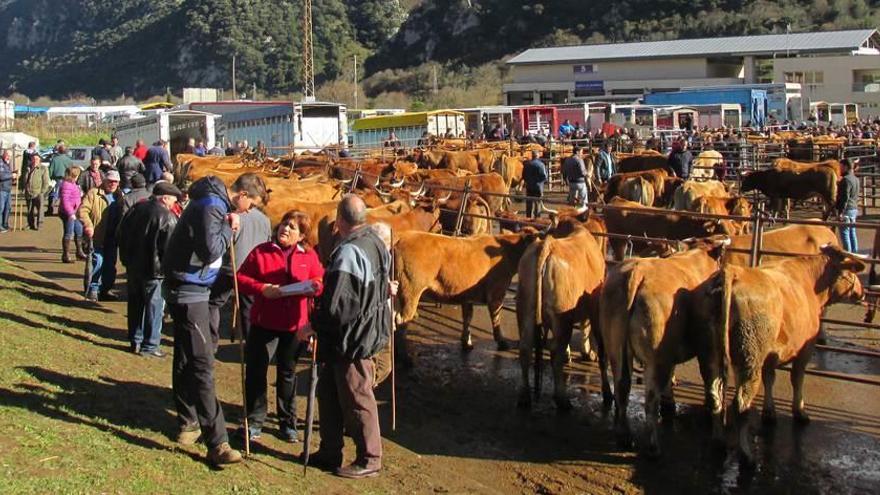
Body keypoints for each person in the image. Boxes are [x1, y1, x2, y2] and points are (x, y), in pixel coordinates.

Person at [301, 194, 391, 479]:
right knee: (328, 391)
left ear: (339, 221)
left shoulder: (348, 253)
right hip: (367, 328)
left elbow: (338, 305)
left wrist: (313, 324)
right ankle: (330, 450)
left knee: (357, 396)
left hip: (352, 337)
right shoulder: (377, 242)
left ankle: (370, 457)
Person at [161, 175, 244, 466]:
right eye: (249, 206)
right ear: (241, 194)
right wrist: (230, 228)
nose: (245, 212)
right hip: (189, 290)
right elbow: (210, 249)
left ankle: (188, 423)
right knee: (202, 363)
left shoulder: (209, 202)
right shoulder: (212, 206)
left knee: (185, 356)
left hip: (188, 287)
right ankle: (217, 442)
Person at [235, 210, 324, 443]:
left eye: (292, 227)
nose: (285, 229)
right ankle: (254, 420)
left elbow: (320, 281)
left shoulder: (309, 256)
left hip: (295, 326)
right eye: (284, 224)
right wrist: (262, 288)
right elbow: (241, 278)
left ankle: (287, 422)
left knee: (287, 373)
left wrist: (315, 286)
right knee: (256, 371)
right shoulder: (261, 252)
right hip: (264, 322)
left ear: (302, 235)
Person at [118, 182, 181, 357]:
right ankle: (150, 345)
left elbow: (121, 234)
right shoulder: (167, 217)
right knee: (155, 308)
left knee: (135, 304)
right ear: (165, 198)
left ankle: (135, 341)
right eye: (173, 200)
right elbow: (169, 249)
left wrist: (125, 259)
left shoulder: (135, 209)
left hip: (133, 266)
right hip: (155, 272)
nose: (174, 204)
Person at [208, 173, 271, 346]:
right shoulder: (265, 220)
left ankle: (211, 342)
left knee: (213, 302)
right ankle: (251, 345)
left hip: (232, 269)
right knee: (248, 310)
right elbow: (267, 243)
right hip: (252, 272)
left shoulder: (233, 217)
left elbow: (224, 244)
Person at [78, 169, 123, 301]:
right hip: (97, 235)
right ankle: (93, 289)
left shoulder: (120, 196)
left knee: (110, 265)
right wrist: (88, 225)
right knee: (97, 262)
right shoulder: (94, 193)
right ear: (105, 181)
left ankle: (106, 290)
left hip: (113, 237)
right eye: (110, 181)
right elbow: (82, 210)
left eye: (115, 182)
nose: (113, 184)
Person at [58, 167, 85, 263]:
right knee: (68, 233)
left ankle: (79, 252)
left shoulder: (73, 184)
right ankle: (65, 255)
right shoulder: (66, 185)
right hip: (68, 213)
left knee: (79, 230)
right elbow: (65, 201)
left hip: (75, 211)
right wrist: (70, 213)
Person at [21, 154, 51, 230]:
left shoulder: (43, 168)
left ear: (39, 160)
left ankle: (39, 225)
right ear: (31, 160)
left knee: (40, 210)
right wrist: (23, 188)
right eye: (33, 159)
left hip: (38, 193)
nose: (35, 160)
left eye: (37, 159)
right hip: (28, 192)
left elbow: (46, 182)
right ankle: (30, 224)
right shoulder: (28, 168)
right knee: (30, 210)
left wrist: (42, 192)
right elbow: (24, 180)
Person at [837, 158, 861, 253]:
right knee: (852, 233)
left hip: (847, 209)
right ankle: (854, 253)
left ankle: (848, 254)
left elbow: (844, 198)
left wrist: (841, 212)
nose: (840, 169)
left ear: (846, 167)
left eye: (841, 167)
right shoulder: (855, 179)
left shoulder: (846, 180)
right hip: (854, 208)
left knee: (845, 234)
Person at [47, 142, 72, 215]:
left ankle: (50, 210)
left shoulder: (55, 159)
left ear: (58, 151)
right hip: (66, 180)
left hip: (56, 180)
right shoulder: (69, 160)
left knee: (52, 195)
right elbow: (71, 171)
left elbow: (50, 170)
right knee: (65, 196)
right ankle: (64, 210)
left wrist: (49, 178)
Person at [522, 150, 547, 218]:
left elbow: (523, 176)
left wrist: (528, 181)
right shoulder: (541, 164)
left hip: (529, 186)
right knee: (537, 203)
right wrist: (540, 182)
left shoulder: (527, 164)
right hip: (538, 187)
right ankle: (537, 218)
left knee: (529, 204)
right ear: (538, 155)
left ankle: (528, 218)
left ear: (532, 156)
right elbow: (544, 177)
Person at [0, 149, 16, 232]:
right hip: (1, 189)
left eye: (9, 156)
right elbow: (1, 176)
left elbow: (8, 174)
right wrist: (11, 175)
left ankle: (5, 224)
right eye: (7, 155)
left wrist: (14, 173)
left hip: (8, 189)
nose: (8, 157)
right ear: (4, 154)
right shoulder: (1, 163)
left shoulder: (8, 163)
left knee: (8, 208)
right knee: (1, 208)